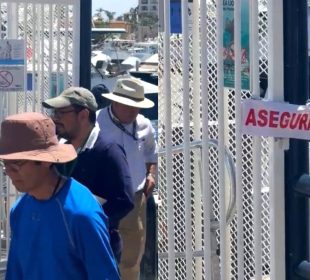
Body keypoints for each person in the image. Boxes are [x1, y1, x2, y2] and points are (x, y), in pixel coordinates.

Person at [0, 112, 120, 279]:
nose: (9, 172)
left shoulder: (82, 214)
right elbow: (15, 272)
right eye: (5, 164)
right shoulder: (19, 211)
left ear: (47, 161)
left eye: (16, 164)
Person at [42, 87, 134, 263]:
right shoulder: (59, 150)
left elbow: (124, 200)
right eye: (54, 112)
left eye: (61, 113)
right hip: (62, 248)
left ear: (83, 115)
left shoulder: (108, 151)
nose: (55, 118)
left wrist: (85, 222)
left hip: (96, 247)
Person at [97, 77, 158, 280]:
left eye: (137, 107)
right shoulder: (95, 123)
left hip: (134, 198)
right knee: (98, 251)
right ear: (115, 102)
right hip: (101, 198)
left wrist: (151, 174)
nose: (134, 112)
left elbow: (151, 153)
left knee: (131, 258)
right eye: (129, 106)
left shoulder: (145, 125)